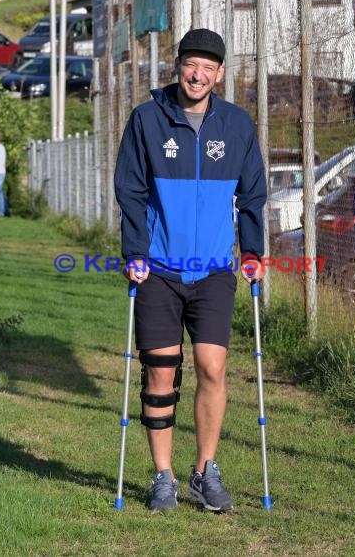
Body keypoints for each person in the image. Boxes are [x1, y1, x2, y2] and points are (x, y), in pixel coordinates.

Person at [114, 28, 267, 512]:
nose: (198, 74)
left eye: (208, 67)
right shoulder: (147, 119)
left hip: (215, 269)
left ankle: (205, 471)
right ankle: (164, 476)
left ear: (220, 74)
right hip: (158, 267)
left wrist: (253, 250)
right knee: (161, 372)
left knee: (212, 366)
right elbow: (131, 191)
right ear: (177, 65)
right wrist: (135, 251)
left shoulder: (238, 125)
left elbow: (253, 194)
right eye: (190, 64)